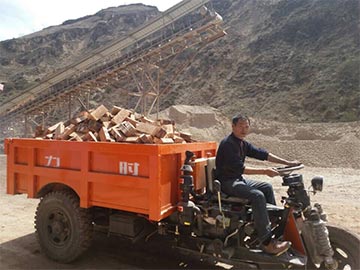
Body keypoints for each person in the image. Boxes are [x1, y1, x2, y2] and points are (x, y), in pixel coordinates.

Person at [215, 113, 301, 256]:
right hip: (227, 182)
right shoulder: (228, 144)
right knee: (257, 195)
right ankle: (267, 243)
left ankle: (269, 225)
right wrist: (265, 171)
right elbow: (239, 168)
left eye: (246, 126)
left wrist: (288, 163)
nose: (244, 129)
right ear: (233, 127)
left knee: (266, 188)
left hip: (237, 179)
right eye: (241, 126)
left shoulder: (242, 142)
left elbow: (262, 154)